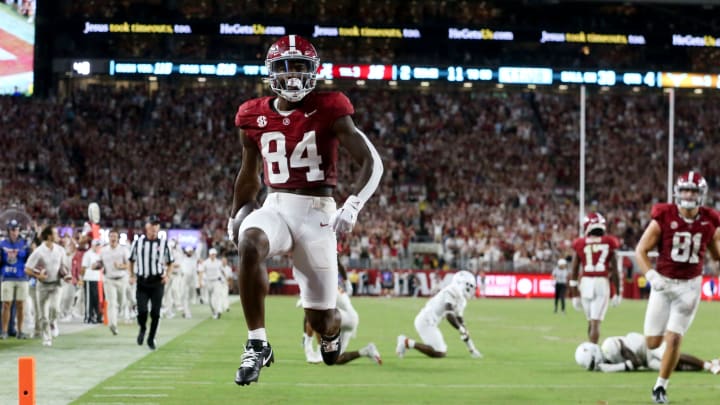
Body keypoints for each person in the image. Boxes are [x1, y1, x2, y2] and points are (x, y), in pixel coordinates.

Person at [227, 34, 383, 385]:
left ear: (313, 71)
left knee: (320, 321)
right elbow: (248, 173)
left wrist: (353, 204)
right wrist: (235, 211)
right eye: (285, 66)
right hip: (276, 205)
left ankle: (332, 331)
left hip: (318, 215)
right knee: (250, 240)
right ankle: (257, 343)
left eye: (300, 66)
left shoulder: (330, 106)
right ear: (272, 72)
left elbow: (371, 162)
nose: (293, 75)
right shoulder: (251, 115)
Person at [635, 171, 720, 404]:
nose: (689, 194)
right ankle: (683, 361)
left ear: (701, 194)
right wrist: (652, 275)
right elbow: (640, 250)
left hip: (689, 287)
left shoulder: (710, 220)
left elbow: (717, 254)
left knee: (674, 339)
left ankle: (660, 387)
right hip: (663, 285)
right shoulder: (663, 215)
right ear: (677, 192)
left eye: (693, 190)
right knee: (653, 343)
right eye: (685, 190)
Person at [396, 271, 482, 359]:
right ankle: (406, 342)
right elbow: (449, 315)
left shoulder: (462, 300)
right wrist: (461, 329)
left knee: (440, 351)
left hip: (431, 322)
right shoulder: (451, 291)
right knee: (440, 352)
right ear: (460, 283)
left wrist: (472, 348)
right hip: (425, 320)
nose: (470, 290)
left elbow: (460, 321)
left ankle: (406, 342)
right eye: (469, 286)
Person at [568, 212, 621, 344]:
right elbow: (615, 270)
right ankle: (593, 352)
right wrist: (618, 292)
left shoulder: (580, 243)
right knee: (595, 322)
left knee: (591, 321)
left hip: (585, 283)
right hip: (601, 282)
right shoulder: (609, 241)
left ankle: (590, 351)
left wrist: (574, 294)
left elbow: (574, 269)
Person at [128, 215, 174, 351]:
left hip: (157, 281)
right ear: (147, 227)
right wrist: (131, 275)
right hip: (142, 281)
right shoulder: (138, 243)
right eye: (152, 225)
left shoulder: (164, 243)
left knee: (155, 312)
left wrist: (168, 276)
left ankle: (151, 337)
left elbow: (170, 262)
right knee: (142, 310)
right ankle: (142, 328)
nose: (154, 228)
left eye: (156, 225)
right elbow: (131, 260)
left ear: (158, 228)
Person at [24, 226, 71, 346]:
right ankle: (46, 337)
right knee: (43, 315)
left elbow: (64, 267)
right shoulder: (39, 251)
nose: (58, 236)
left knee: (55, 309)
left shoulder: (60, 250)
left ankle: (54, 322)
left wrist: (66, 275)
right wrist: (38, 276)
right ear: (49, 236)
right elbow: (27, 269)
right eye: (55, 233)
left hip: (56, 284)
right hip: (42, 285)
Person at [597, 332, 720, 374]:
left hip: (650, 346)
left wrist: (618, 367)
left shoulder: (619, 345)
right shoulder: (608, 352)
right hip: (647, 361)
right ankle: (712, 362)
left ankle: (708, 366)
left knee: (671, 356)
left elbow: (635, 363)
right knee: (674, 367)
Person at [1, 219, 31, 339]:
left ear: (19, 230)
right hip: (7, 276)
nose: (14, 232)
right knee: (6, 304)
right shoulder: (2, 244)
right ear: (9, 231)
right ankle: (4, 331)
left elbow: (29, 260)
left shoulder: (24, 244)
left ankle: (20, 330)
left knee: (20, 304)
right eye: (12, 230)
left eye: (16, 229)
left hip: (21, 277)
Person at [100, 229, 130, 335]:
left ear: (118, 238)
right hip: (109, 280)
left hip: (121, 279)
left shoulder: (123, 250)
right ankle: (113, 324)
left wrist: (121, 266)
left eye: (115, 236)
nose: (113, 238)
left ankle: (122, 314)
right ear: (108, 238)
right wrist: (96, 265)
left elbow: (129, 265)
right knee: (111, 303)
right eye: (111, 236)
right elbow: (100, 263)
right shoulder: (103, 250)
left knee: (122, 302)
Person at [198, 248, 226, 319]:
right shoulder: (205, 262)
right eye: (212, 254)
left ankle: (218, 310)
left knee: (217, 296)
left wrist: (224, 278)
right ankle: (214, 311)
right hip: (208, 282)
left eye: (214, 254)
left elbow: (222, 270)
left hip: (217, 281)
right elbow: (201, 272)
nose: (213, 256)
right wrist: (200, 282)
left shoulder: (219, 262)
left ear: (216, 255)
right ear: (209, 255)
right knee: (210, 299)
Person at [80, 239, 104, 324]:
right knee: (89, 299)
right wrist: (82, 278)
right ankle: (88, 317)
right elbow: (83, 267)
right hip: (89, 279)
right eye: (96, 245)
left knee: (98, 299)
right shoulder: (88, 254)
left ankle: (98, 316)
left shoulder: (100, 254)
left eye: (99, 245)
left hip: (99, 279)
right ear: (93, 245)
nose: (98, 247)